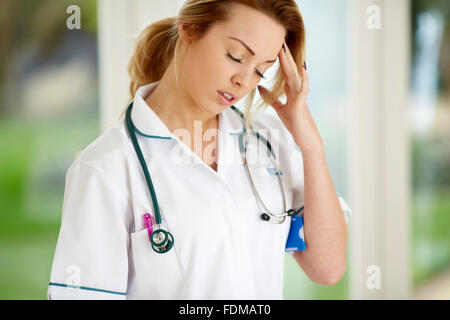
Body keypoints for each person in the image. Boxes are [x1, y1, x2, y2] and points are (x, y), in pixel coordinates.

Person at [47, 0, 350, 300]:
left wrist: (311, 146)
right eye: (236, 56)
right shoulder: (105, 168)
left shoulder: (268, 139)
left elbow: (327, 269)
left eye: (262, 71)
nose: (243, 81)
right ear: (189, 30)